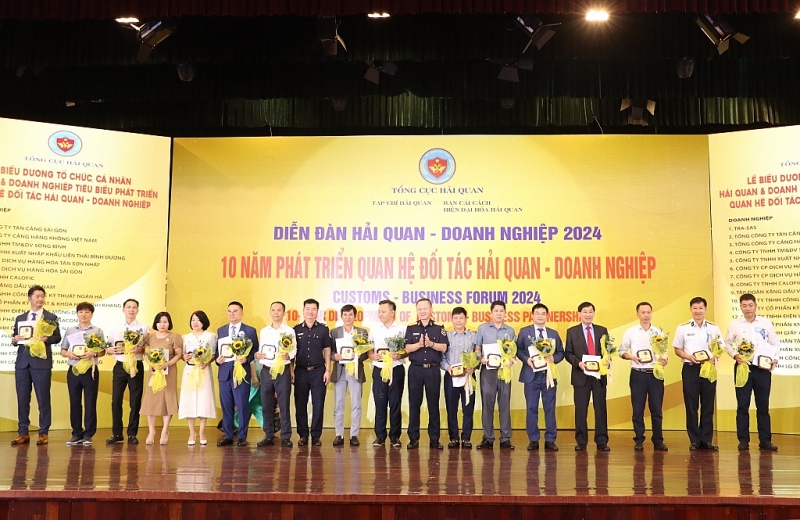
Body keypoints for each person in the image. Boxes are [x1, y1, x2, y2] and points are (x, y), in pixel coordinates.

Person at [724, 293, 780, 451]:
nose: (747, 308)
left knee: (763, 406)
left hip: (762, 369)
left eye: (750, 305)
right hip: (743, 368)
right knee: (743, 405)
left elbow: (774, 342)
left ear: (755, 305)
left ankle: (765, 440)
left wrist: (775, 357)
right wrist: (735, 355)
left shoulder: (765, 322)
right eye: (744, 305)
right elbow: (727, 343)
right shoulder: (735, 324)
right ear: (740, 307)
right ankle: (743, 440)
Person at [10, 285, 61, 446]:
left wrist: (48, 338)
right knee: (23, 398)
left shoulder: (51, 317)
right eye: (37, 296)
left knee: (43, 398)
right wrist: (14, 339)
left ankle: (43, 432)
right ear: (29, 298)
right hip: (23, 364)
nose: (40, 299)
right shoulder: (20, 318)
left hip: (41, 363)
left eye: (42, 296)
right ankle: (23, 432)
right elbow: (14, 338)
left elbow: (57, 337)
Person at [672, 296, 723, 451]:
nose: (698, 311)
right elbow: (677, 349)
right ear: (690, 309)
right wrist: (688, 356)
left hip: (709, 368)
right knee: (691, 405)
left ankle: (706, 440)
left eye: (701, 308)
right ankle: (694, 440)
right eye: (695, 308)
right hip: (690, 369)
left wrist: (715, 355)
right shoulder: (683, 328)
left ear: (705, 309)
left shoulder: (714, 328)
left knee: (708, 405)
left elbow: (720, 347)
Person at [619, 302, 668, 452]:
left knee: (656, 409)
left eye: (648, 312)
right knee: (638, 409)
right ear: (637, 314)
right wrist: (630, 356)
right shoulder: (631, 332)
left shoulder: (658, 332)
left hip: (655, 374)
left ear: (652, 313)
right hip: (638, 374)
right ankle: (639, 439)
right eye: (643, 312)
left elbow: (665, 352)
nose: (646, 315)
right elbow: (621, 351)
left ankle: (658, 440)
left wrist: (664, 360)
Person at [516, 303, 564, 451]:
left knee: (550, 408)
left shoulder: (553, 333)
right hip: (531, 376)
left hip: (548, 376)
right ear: (532, 315)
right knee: (531, 408)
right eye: (537, 313)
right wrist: (526, 359)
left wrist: (553, 358)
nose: (540, 316)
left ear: (547, 316)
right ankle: (533, 439)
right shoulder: (524, 332)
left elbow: (561, 352)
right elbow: (518, 350)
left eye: (543, 313)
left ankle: (550, 439)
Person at [565, 301, 611, 452]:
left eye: (590, 311)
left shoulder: (602, 330)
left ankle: (602, 441)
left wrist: (608, 360)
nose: (588, 314)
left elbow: (607, 351)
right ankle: (581, 441)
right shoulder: (572, 331)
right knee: (581, 410)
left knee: (600, 408)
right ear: (579, 314)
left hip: (598, 376)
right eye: (585, 312)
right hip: (581, 376)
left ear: (594, 313)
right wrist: (578, 363)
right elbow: (568, 353)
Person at [405, 298, 449, 450]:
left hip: (432, 370)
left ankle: (434, 439)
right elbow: (406, 349)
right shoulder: (411, 329)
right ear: (417, 311)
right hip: (415, 370)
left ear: (431, 310)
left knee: (433, 404)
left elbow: (444, 347)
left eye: (425, 308)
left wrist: (431, 344)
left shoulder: (439, 329)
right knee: (414, 404)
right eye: (420, 309)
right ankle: (413, 438)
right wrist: (418, 345)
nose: (422, 311)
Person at [60, 302, 105, 446]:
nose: (83, 314)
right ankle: (76, 433)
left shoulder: (97, 331)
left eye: (87, 312)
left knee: (90, 402)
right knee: (75, 402)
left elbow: (103, 351)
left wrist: (94, 353)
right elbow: (63, 350)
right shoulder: (71, 330)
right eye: (81, 312)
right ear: (77, 314)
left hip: (90, 370)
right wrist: (69, 354)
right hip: (74, 369)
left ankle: (88, 434)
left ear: (92, 314)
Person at [474, 300, 516, 450]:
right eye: (496, 311)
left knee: (504, 404)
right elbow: (477, 348)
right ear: (491, 313)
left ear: (505, 313)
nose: (499, 313)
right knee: (487, 404)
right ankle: (488, 437)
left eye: (501, 311)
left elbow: (513, 352)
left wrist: (512, 360)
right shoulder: (483, 329)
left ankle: (505, 438)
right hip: (488, 372)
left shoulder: (510, 331)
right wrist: (480, 358)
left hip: (504, 372)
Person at [106, 298, 149, 445]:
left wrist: (140, 349)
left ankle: (132, 434)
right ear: (123, 309)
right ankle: (117, 433)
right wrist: (109, 350)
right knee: (116, 400)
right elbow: (109, 347)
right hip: (120, 365)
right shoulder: (115, 327)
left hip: (136, 365)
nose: (131, 310)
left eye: (134, 307)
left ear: (138, 310)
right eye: (128, 307)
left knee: (135, 401)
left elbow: (148, 349)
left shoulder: (144, 328)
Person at [215, 301, 258, 446]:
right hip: (225, 374)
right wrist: (218, 360)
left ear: (242, 313)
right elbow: (217, 351)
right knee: (226, 406)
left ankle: (241, 436)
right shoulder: (221, 330)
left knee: (242, 405)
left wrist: (247, 358)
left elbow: (254, 351)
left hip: (241, 373)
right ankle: (228, 435)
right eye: (229, 311)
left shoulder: (250, 331)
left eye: (235, 311)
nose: (231, 314)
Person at [255, 301, 295, 448]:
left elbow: (294, 349)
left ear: (284, 313)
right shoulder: (264, 331)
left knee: (284, 404)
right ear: (270, 312)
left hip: (282, 370)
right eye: (273, 310)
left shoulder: (289, 331)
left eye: (279, 310)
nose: (276, 313)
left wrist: (289, 355)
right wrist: (258, 355)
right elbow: (261, 350)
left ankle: (286, 436)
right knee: (266, 404)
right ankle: (268, 435)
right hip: (266, 369)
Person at [139, 311, 183, 445]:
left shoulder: (174, 336)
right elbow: (144, 353)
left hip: (168, 372)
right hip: (153, 372)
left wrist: (167, 363)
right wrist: (150, 363)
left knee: (167, 399)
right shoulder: (149, 337)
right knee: (151, 399)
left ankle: (165, 430)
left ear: (169, 323)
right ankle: (151, 430)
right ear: (155, 323)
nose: (162, 324)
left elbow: (178, 355)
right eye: (160, 322)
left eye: (165, 321)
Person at [293, 298, 332, 446]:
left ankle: (316, 435)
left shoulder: (323, 329)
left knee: (318, 403)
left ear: (317, 311)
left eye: (313, 309)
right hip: (300, 371)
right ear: (303, 311)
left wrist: (328, 370)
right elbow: (291, 353)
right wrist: (291, 371)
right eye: (307, 309)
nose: (310, 312)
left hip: (318, 371)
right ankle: (303, 434)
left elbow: (327, 350)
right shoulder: (295, 330)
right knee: (300, 403)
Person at [369, 299, 407, 448]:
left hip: (396, 370)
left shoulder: (402, 329)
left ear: (393, 313)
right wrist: (372, 355)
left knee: (395, 403)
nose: (380, 314)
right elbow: (370, 348)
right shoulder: (374, 329)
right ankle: (380, 436)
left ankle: (395, 436)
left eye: (383, 311)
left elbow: (407, 350)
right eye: (379, 311)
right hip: (379, 369)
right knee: (380, 403)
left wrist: (399, 355)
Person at [330, 304, 369, 446]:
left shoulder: (362, 332)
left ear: (355, 316)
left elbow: (366, 354)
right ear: (341, 316)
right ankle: (338, 434)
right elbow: (329, 352)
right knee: (338, 403)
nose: (348, 317)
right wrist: (336, 356)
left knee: (356, 404)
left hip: (356, 371)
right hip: (340, 371)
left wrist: (358, 355)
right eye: (345, 315)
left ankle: (354, 435)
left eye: (350, 315)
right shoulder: (334, 332)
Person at [179, 310, 217, 446]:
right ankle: (191, 432)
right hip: (189, 371)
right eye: (193, 319)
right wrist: (184, 357)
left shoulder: (211, 336)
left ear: (204, 322)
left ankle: (201, 432)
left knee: (203, 399)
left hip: (203, 371)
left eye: (198, 320)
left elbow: (213, 354)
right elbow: (182, 354)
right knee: (189, 399)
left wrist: (207, 361)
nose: (195, 322)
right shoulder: (185, 337)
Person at [442, 306, 477, 449]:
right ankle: (454, 438)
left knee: (468, 408)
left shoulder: (473, 336)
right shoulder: (446, 336)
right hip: (451, 376)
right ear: (452, 319)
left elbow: (478, 354)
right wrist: (447, 367)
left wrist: (473, 366)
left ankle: (467, 438)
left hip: (469, 376)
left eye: (461, 318)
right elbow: (441, 357)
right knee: (452, 408)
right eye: (455, 318)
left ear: (466, 319)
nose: (458, 321)